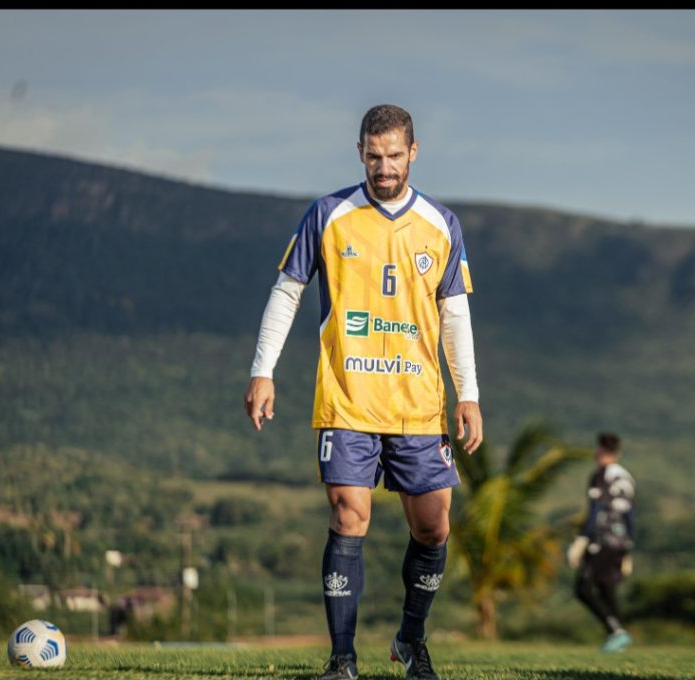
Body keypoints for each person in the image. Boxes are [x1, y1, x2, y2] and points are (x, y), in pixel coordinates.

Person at [244, 104, 482, 680]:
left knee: (433, 526)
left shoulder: (441, 224)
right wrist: (262, 369)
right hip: (347, 398)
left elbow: (455, 317)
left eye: (394, 155)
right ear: (360, 153)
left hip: (420, 404)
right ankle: (342, 659)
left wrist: (468, 394)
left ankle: (411, 638)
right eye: (374, 156)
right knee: (349, 516)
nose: (384, 167)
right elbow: (288, 291)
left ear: (413, 152)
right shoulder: (328, 215)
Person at [567, 431, 635, 653]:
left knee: (583, 588)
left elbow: (595, 510)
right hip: (619, 542)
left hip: (601, 541)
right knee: (607, 588)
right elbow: (630, 516)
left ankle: (616, 632)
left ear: (600, 450)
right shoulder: (627, 477)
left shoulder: (601, 475)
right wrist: (628, 547)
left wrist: (582, 539)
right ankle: (617, 636)